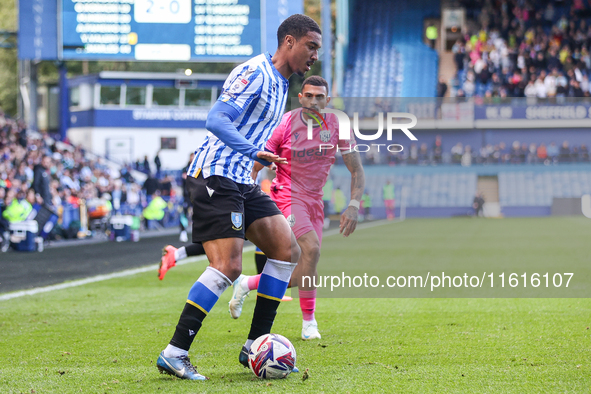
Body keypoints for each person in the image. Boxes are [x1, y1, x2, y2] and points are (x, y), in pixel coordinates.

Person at [156, 14, 321, 381]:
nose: (314, 56)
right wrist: (254, 152)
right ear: (289, 42)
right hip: (215, 173)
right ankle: (174, 352)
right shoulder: (256, 73)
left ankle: (255, 345)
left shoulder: (282, 85)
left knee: (287, 250)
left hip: (241, 179)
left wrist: (257, 164)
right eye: (311, 46)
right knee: (228, 266)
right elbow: (216, 119)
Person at [229, 76, 365, 340]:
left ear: (328, 100)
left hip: (315, 200)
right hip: (287, 196)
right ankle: (309, 322)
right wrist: (247, 196)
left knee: (307, 265)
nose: (314, 101)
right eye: (309, 96)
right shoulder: (285, 123)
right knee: (311, 249)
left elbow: (356, 169)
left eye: (320, 97)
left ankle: (248, 283)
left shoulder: (338, 124)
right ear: (301, 97)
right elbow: (258, 162)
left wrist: (353, 205)